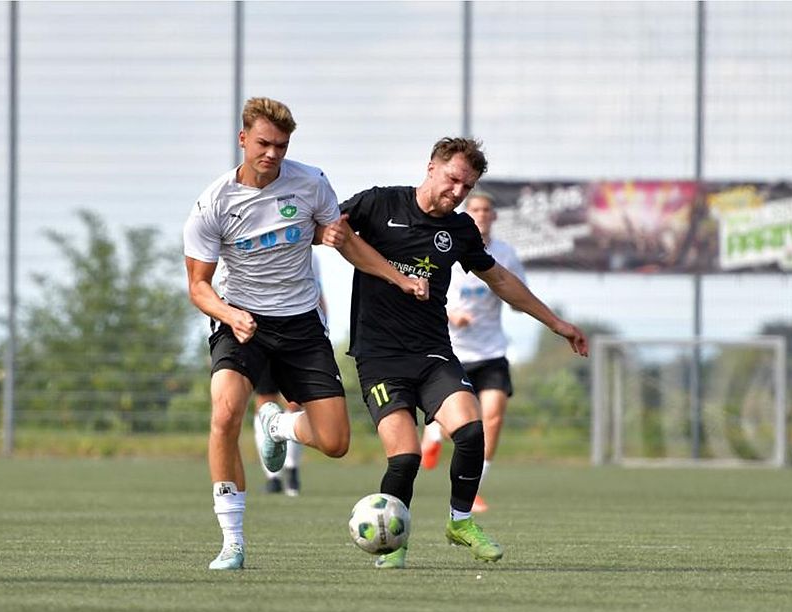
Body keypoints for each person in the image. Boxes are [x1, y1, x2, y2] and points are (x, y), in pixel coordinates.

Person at [183, 97, 427, 571]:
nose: (272, 153)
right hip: (241, 321)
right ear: (242, 140)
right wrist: (229, 315)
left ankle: (276, 425)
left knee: (336, 442)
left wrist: (398, 278)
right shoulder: (213, 204)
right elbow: (198, 287)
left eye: (280, 145)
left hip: (301, 322)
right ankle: (232, 540)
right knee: (225, 412)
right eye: (262, 143)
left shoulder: (311, 182)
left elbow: (345, 241)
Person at [339, 137, 589, 569]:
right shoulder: (378, 204)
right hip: (379, 357)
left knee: (472, 431)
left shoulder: (459, 229)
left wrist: (557, 324)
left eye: (467, 187)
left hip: (433, 353)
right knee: (406, 457)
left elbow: (501, 280)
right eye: (453, 179)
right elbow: (331, 230)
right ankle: (394, 542)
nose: (457, 193)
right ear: (432, 167)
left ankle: (460, 521)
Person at [419, 192, 526, 514]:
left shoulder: (506, 253)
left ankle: (474, 487)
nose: (481, 214)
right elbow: (427, 289)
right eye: (475, 209)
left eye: (486, 209)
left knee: (493, 417)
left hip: (491, 349)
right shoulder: (447, 244)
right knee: (465, 422)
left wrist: (513, 299)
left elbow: (518, 292)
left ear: (494, 216)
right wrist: (452, 315)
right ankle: (435, 431)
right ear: (467, 213)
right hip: (452, 350)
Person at [251, 253, 327, 497]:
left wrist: (323, 327)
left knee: (293, 404)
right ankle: (271, 476)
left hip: (297, 333)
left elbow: (317, 292)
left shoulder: (307, 253)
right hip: (259, 332)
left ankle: (292, 470)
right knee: (264, 403)